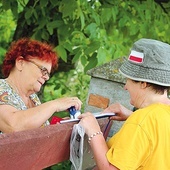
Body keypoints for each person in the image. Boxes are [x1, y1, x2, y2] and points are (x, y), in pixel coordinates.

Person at [78, 38, 170, 169]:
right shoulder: (159, 115)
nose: (125, 87)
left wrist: (94, 131)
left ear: (144, 83)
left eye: (129, 80)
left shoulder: (142, 120)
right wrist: (131, 116)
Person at [0, 38, 82, 133]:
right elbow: (13, 125)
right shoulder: (1, 87)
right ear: (20, 63)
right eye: (43, 70)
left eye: (48, 73)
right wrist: (55, 104)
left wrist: (59, 126)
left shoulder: (33, 98)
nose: (46, 77)